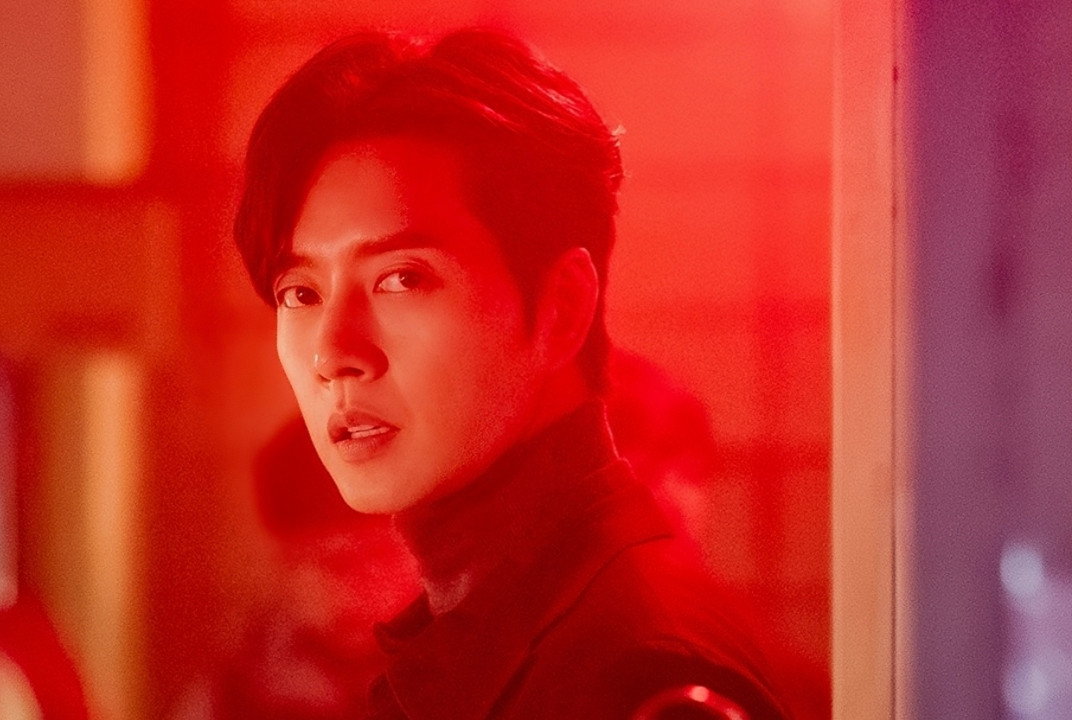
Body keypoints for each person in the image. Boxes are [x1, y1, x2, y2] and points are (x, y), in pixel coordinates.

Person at [233, 28, 798, 719]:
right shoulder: (489, 630)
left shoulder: (639, 671)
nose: (332, 353)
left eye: (402, 278)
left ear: (562, 308)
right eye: (301, 292)